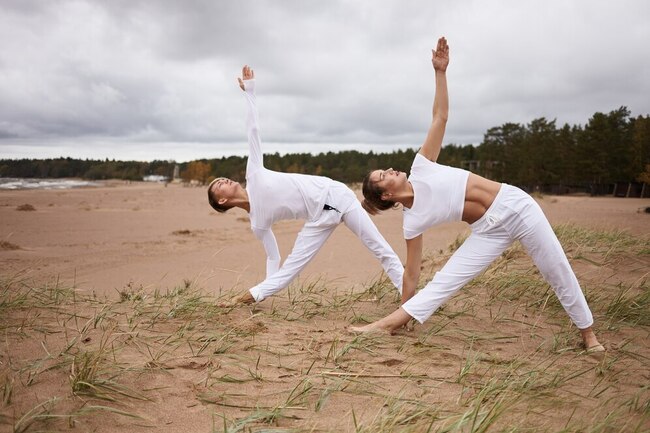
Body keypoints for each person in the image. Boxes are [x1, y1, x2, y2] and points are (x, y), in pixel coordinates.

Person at [350, 37, 604, 354]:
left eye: (386, 169)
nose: (389, 170)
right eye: (382, 176)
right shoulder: (411, 221)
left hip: (516, 207)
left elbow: (440, 117)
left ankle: (588, 333)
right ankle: (392, 323)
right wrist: (407, 306)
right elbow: (412, 273)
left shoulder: (422, 166)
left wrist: (440, 72)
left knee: (555, 268)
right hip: (487, 231)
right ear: (386, 195)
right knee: (444, 282)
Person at [208, 65, 404, 305]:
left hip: (338, 195)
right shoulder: (257, 224)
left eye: (221, 178)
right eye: (218, 185)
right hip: (317, 221)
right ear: (222, 201)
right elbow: (273, 256)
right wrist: (270, 286)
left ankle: (410, 296)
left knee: (380, 249)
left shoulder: (254, 174)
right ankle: (247, 299)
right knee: (289, 271)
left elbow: (253, 131)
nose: (223, 180)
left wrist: (250, 91)